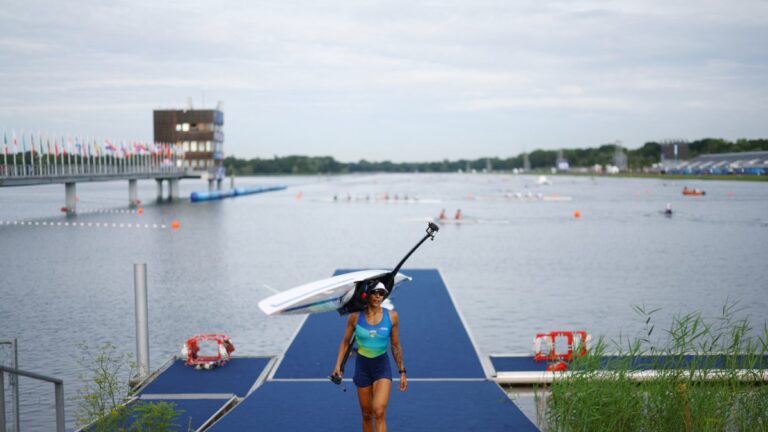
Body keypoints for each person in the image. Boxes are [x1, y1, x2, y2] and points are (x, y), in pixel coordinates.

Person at [333, 282, 407, 432]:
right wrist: (338, 366)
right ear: (366, 294)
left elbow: (396, 346)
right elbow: (346, 343)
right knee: (367, 415)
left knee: (379, 411)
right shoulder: (354, 317)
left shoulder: (392, 316)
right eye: (375, 292)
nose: (378, 296)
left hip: (381, 367)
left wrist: (402, 371)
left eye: (381, 293)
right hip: (362, 368)